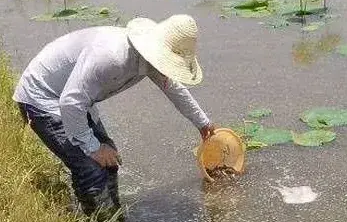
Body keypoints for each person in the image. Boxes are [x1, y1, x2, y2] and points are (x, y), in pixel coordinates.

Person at [12, 14, 215, 220]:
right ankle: (99, 217)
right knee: (91, 168)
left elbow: (173, 88)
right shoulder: (112, 58)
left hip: (76, 96)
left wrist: (202, 123)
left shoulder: (150, 59)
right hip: (43, 99)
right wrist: (93, 148)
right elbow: (70, 103)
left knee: (109, 161)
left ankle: (113, 215)